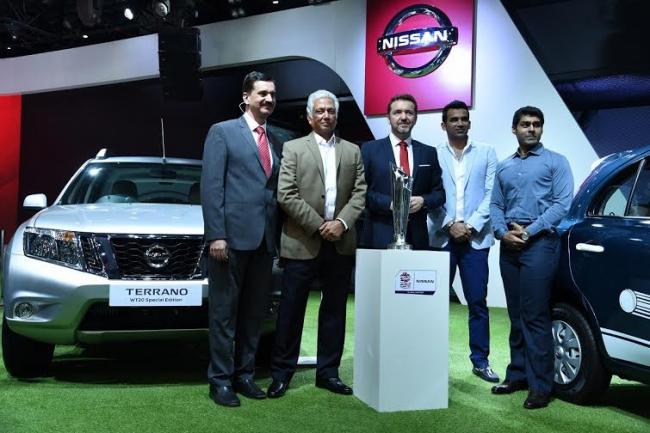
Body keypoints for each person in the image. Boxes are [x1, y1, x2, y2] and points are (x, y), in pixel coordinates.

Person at [267, 89, 366, 398]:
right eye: (320, 111)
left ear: (337, 115)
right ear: (310, 117)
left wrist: (341, 223)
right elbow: (286, 194)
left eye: (331, 111)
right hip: (301, 242)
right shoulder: (293, 148)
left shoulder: (353, 151)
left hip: (340, 242)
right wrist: (319, 225)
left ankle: (328, 373)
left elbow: (360, 193)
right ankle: (281, 374)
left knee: (335, 310)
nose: (326, 115)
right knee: (291, 310)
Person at [200, 71, 282, 407]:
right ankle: (220, 381)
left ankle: (244, 376)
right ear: (246, 97)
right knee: (224, 314)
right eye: (262, 93)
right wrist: (216, 235)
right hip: (230, 241)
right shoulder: (222, 132)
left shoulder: (274, 139)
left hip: (264, 242)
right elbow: (211, 187)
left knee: (253, 314)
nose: (268, 99)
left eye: (272, 94)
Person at [489, 106, 573, 409]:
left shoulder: (556, 162)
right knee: (516, 315)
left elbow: (562, 204)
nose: (531, 129)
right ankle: (518, 375)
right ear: (515, 129)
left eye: (537, 124)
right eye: (525, 124)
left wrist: (529, 232)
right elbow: (495, 205)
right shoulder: (504, 166)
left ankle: (540, 386)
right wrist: (502, 233)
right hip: (509, 245)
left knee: (535, 315)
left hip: (540, 244)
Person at [430, 100, 499, 383]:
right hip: (441, 238)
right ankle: (430, 360)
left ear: (469, 122)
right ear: (443, 124)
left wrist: (469, 226)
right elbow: (431, 196)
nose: (460, 123)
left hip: (475, 239)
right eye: (454, 119)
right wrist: (450, 225)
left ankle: (480, 361)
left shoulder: (487, 152)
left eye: (464, 118)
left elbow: (491, 194)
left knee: (477, 303)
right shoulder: (433, 154)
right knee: (433, 304)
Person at [360, 94, 445, 249]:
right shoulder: (369, 150)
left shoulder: (429, 152)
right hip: (379, 235)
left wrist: (423, 201)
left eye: (409, 112)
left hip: (417, 237)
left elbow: (439, 194)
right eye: (397, 112)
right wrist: (391, 204)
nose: (404, 117)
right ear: (388, 117)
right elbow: (361, 192)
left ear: (416, 118)